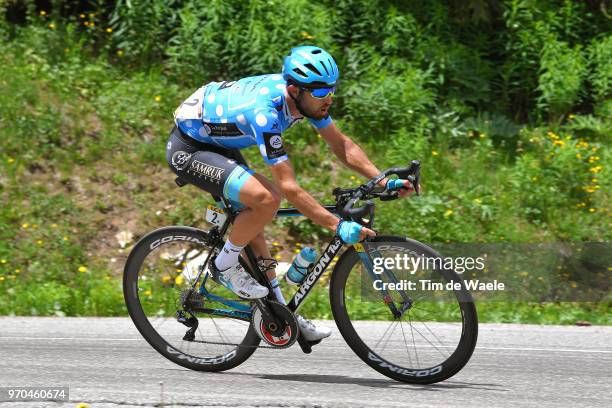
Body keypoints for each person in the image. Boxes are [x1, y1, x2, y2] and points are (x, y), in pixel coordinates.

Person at [166, 45, 414, 342]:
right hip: (190, 148)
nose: (329, 99)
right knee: (267, 198)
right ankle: (223, 267)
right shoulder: (265, 113)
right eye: (322, 94)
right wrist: (336, 225)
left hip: (216, 138)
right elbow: (288, 187)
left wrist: (381, 180)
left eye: (332, 91)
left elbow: (341, 145)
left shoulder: (306, 99)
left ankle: (281, 314)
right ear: (295, 90)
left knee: (254, 222)